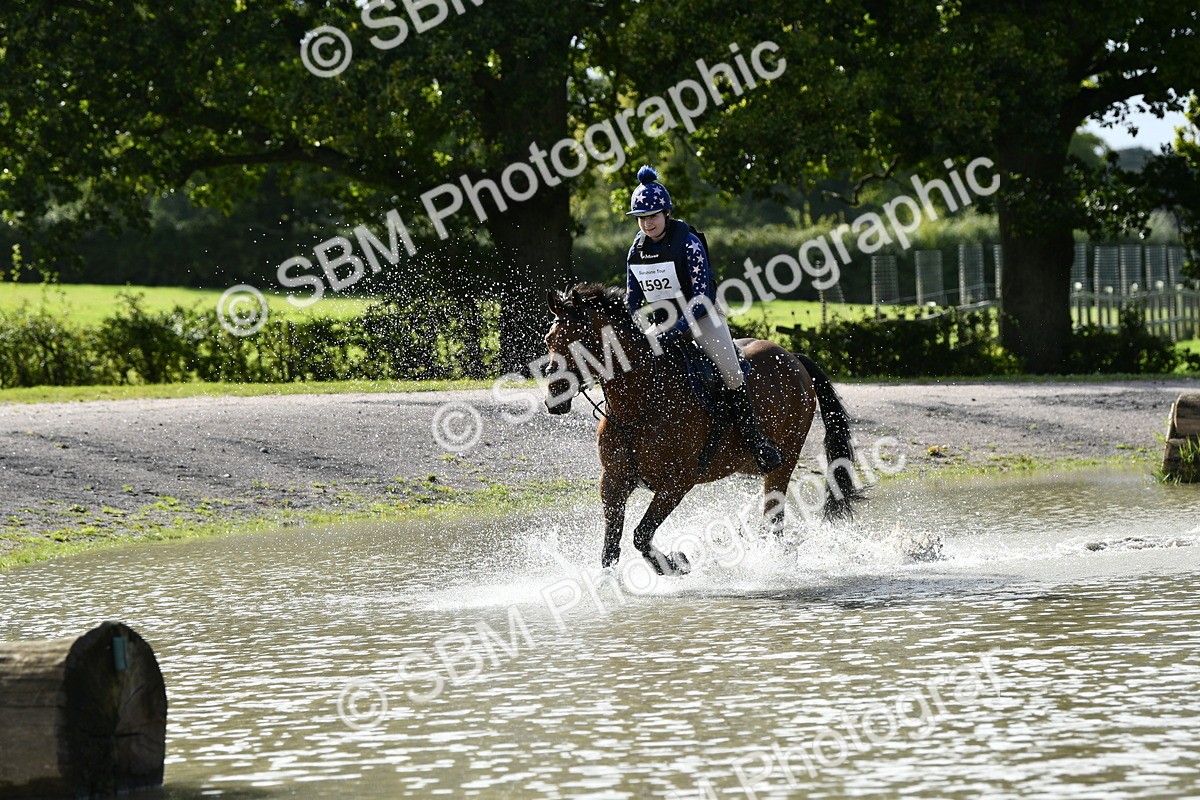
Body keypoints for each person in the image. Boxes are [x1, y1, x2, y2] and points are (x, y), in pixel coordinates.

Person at [624, 165, 784, 474]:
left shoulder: (688, 243)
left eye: (653, 216)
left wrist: (679, 329)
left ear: (666, 213)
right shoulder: (636, 250)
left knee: (732, 372)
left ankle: (756, 441)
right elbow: (633, 298)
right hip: (664, 322)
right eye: (642, 218)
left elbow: (701, 295)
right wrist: (637, 327)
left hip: (702, 316)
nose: (648, 223)